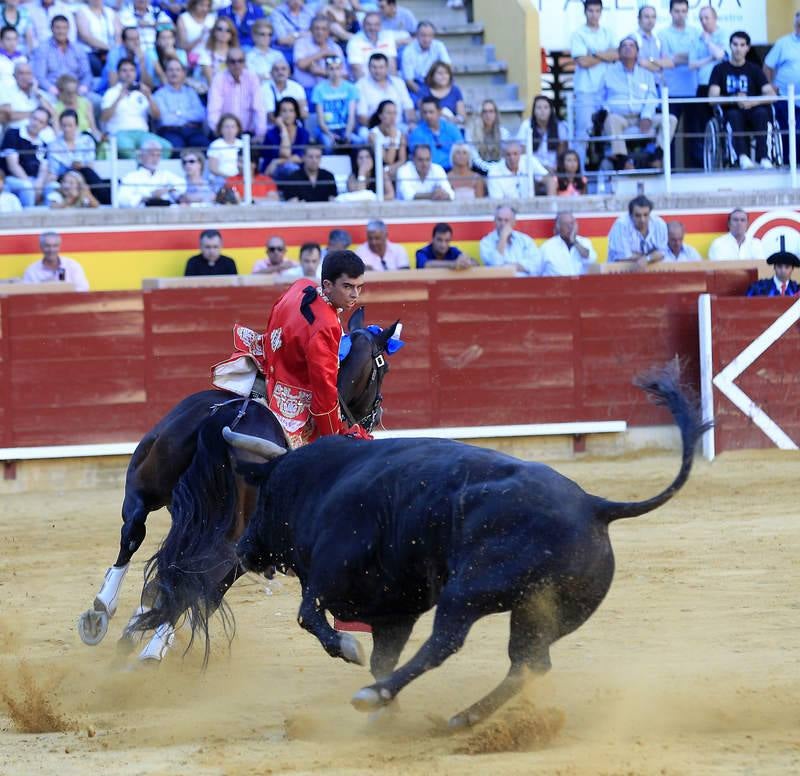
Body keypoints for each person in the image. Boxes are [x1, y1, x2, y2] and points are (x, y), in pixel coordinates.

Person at [261, 249, 371, 447]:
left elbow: (275, 313)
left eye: (359, 287)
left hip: (270, 359)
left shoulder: (302, 285)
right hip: (289, 386)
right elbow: (323, 391)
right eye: (347, 287)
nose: (355, 295)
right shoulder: (326, 326)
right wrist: (333, 438)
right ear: (327, 286)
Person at [600, 37, 677, 165]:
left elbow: (652, 97)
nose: (628, 48)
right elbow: (602, 98)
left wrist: (646, 116)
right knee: (611, 119)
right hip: (620, 117)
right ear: (619, 52)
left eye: (631, 46)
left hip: (642, 117)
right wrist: (607, 110)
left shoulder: (646, 74)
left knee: (670, 119)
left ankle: (657, 157)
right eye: (624, 46)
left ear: (637, 52)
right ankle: (623, 161)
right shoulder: (608, 73)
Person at [708, 31, 776, 170]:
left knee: (762, 113)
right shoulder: (719, 69)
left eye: (742, 45)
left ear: (747, 48)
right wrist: (733, 100)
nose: (738, 48)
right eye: (735, 44)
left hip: (753, 109)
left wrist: (752, 102)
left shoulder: (755, 69)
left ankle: (764, 157)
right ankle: (742, 157)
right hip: (731, 110)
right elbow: (712, 98)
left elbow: (771, 95)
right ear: (730, 46)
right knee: (734, 115)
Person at [570, 0, 618, 165]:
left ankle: (609, 174)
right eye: (591, 11)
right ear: (585, 12)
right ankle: (578, 177)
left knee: (609, 132)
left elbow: (616, 55)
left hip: (606, 91)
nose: (594, 15)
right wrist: (605, 56)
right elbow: (582, 62)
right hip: (586, 91)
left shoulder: (608, 32)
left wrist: (594, 54)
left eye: (597, 11)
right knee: (583, 134)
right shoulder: (578, 34)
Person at [100, 58, 170, 159]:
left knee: (166, 147)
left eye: (132, 70)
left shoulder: (142, 92)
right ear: (118, 73)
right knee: (128, 150)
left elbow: (157, 116)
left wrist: (149, 96)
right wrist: (118, 98)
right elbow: (104, 118)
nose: (128, 74)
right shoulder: (111, 93)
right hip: (120, 133)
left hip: (142, 133)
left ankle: (154, 172)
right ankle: (143, 169)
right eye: (124, 70)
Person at [659, 0, 700, 163]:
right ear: (670, 12)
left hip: (693, 90)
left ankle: (697, 172)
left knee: (694, 134)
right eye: (677, 11)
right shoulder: (662, 34)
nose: (680, 14)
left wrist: (678, 58)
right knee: (669, 135)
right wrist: (688, 58)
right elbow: (665, 60)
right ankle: (670, 171)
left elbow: (695, 57)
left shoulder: (696, 33)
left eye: (684, 11)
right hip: (670, 91)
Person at [687, 4, 726, 166]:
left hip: (721, 87)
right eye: (701, 18)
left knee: (724, 122)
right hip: (703, 86)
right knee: (700, 127)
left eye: (707, 18)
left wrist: (709, 42)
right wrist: (711, 59)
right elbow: (692, 65)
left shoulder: (723, 34)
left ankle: (727, 159)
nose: (703, 21)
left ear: (715, 18)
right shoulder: (696, 38)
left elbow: (720, 54)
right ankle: (701, 164)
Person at [0, 106, 57, 207]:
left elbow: (43, 168)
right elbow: (13, 165)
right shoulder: (13, 134)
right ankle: (30, 219)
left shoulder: (43, 143)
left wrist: (39, 185)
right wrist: (31, 185)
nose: (36, 123)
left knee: (54, 186)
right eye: (35, 119)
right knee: (27, 188)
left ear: (45, 126)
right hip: (12, 179)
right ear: (30, 118)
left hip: (34, 182)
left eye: (41, 122)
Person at [206, 46, 267, 141]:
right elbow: (214, 109)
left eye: (240, 61)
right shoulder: (219, 79)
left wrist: (260, 133)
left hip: (247, 133)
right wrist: (218, 132)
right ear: (227, 63)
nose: (237, 64)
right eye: (232, 61)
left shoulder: (252, 78)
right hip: (223, 133)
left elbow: (259, 107)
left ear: (244, 62)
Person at [764, 10, 800, 158]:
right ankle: (788, 163)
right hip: (785, 98)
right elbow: (767, 66)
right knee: (788, 132)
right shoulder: (783, 43)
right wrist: (770, 86)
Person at [30, 15, 92, 98]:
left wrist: (82, 88)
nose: (61, 31)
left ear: (68, 29)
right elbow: (40, 77)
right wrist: (54, 91)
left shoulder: (78, 48)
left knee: (96, 101)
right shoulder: (43, 49)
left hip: (77, 91)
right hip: (53, 91)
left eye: (64, 28)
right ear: (51, 29)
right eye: (58, 28)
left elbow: (86, 73)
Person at [153, 58, 208, 151]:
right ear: (165, 73)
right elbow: (164, 120)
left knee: (204, 145)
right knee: (176, 148)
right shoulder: (159, 94)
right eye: (171, 70)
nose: (174, 73)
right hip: (170, 131)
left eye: (178, 70)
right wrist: (188, 116)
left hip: (192, 131)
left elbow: (200, 114)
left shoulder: (190, 92)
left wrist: (178, 113)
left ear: (183, 73)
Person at [117, 139, 186, 207]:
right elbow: (122, 200)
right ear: (141, 156)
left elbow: (183, 186)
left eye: (158, 155)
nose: (155, 159)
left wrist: (169, 190)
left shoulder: (166, 174)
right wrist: (149, 197)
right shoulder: (131, 177)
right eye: (152, 155)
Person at [356, 52, 414, 130]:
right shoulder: (360, 85)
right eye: (374, 67)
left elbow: (408, 106)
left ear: (387, 68)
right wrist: (383, 129)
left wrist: (411, 122)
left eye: (381, 67)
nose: (377, 71)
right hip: (373, 127)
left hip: (398, 125)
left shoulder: (399, 82)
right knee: (364, 133)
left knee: (413, 130)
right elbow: (362, 116)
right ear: (368, 68)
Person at [479, 204, 543, 276]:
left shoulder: (525, 240)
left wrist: (506, 266)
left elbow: (536, 267)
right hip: (499, 284)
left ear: (514, 223)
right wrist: (503, 238)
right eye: (499, 220)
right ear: (494, 222)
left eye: (506, 220)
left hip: (525, 283)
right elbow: (496, 266)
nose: (503, 224)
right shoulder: (486, 242)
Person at [312, 54, 360, 150]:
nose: (335, 72)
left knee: (359, 142)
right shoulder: (319, 89)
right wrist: (330, 134)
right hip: (326, 130)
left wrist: (347, 133)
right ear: (326, 70)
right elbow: (320, 120)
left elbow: (351, 116)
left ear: (341, 69)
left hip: (345, 128)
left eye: (337, 68)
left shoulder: (351, 88)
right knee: (328, 143)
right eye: (331, 69)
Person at [607, 194, 668, 267]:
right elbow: (622, 257)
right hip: (620, 271)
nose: (642, 220)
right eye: (638, 215)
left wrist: (646, 259)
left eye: (646, 215)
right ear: (630, 215)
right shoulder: (621, 225)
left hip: (651, 272)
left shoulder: (659, 224)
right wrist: (651, 256)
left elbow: (662, 253)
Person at [293, 14, 346, 94]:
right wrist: (322, 53)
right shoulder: (301, 43)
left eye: (323, 29)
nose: (320, 32)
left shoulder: (335, 48)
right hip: (305, 90)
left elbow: (344, 75)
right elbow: (301, 64)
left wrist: (321, 72)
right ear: (311, 30)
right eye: (316, 28)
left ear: (328, 32)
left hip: (330, 91)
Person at [261, 96, 310, 180]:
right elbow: (285, 153)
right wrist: (283, 128)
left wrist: (277, 161)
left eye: (291, 111)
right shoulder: (271, 134)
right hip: (272, 172)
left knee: (291, 168)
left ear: (296, 113)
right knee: (290, 168)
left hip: (297, 173)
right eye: (284, 111)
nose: (288, 115)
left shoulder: (303, 133)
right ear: (278, 114)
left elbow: (300, 157)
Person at [487, 139, 555, 199]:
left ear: (521, 154)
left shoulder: (529, 160)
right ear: (503, 156)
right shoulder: (494, 173)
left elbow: (549, 179)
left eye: (515, 154)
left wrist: (550, 203)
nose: (512, 158)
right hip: (507, 209)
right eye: (508, 154)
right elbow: (497, 203)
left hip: (529, 206)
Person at [22, 230, 89, 290]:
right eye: (47, 246)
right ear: (41, 247)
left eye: (55, 246)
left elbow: (83, 289)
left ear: (59, 247)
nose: (51, 250)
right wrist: (44, 287)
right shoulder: (32, 271)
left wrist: (64, 289)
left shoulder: (72, 266)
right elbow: (27, 295)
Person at [408, 95, 461, 171]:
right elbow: (418, 158)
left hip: (453, 170)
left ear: (439, 112)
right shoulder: (416, 133)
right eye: (425, 112)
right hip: (429, 172)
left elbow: (461, 150)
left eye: (431, 112)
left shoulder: (451, 129)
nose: (428, 116)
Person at [517, 95, 567, 173]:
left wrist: (556, 167)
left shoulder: (560, 126)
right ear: (534, 110)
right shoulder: (526, 125)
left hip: (553, 169)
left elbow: (562, 152)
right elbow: (523, 152)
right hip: (532, 169)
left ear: (551, 110)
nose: (542, 111)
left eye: (546, 107)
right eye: (539, 107)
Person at [539, 211, 598, 276]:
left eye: (572, 223)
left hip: (580, 284)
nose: (570, 227)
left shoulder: (584, 242)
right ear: (558, 227)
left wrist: (574, 241)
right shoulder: (547, 246)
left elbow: (591, 259)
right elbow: (537, 271)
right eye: (565, 224)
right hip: (556, 284)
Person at [401, 20, 449, 98]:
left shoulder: (439, 46)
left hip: (437, 82)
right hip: (417, 85)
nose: (426, 39)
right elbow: (409, 81)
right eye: (423, 35)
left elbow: (448, 66)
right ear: (417, 35)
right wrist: (425, 95)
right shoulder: (408, 51)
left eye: (430, 35)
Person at [346, 11, 396, 81]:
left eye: (376, 25)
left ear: (381, 26)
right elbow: (357, 70)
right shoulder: (354, 42)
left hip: (386, 82)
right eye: (368, 24)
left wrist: (391, 85)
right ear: (363, 25)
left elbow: (392, 66)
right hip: (365, 83)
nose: (372, 28)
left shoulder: (388, 38)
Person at [465, 99, 509, 174]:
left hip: (499, 169)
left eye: (491, 111)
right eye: (484, 112)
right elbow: (474, 158)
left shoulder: (503, 132)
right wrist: (490, 169)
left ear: (496, 114)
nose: (488, 115)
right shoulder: (471, 132)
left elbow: (505, 156)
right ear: (480, 114)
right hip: (478, 170)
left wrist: (496, 168)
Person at [631, 4, 670, 87]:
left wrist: (650, 61)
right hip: (639, 86)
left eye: (653, 17)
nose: (650, 20)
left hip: (658, 86)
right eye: (647, 17)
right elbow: (640, 63)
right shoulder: (632, 39)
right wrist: (659, 65)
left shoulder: (659, 39)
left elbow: (668, 63)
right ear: (639, 19)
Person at [368, 99, 407, 179]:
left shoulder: (401, 134)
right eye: (389, 113)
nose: (392, 117)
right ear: (380, 115)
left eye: (394, 113)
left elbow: (402, 160)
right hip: (378, 169)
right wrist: (392, 139)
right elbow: (388, 160)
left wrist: (391, 168)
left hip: (395, 169)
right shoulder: (373, 135)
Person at [416, 60, 464, 125]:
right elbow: (422, 114)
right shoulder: (424, 91)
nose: (443, 76)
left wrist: (452, 119)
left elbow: (462, 116)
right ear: (432, 76)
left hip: (451, 126)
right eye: (440, 73)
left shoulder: (455, 91)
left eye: (446, 73)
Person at [198, 16, 239, 86]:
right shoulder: (206, 53)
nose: (224, 33)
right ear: (214, 32)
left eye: (228, 30)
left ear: (232, 34)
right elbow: (211, 82)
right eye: (220, 29)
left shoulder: (237, 54)